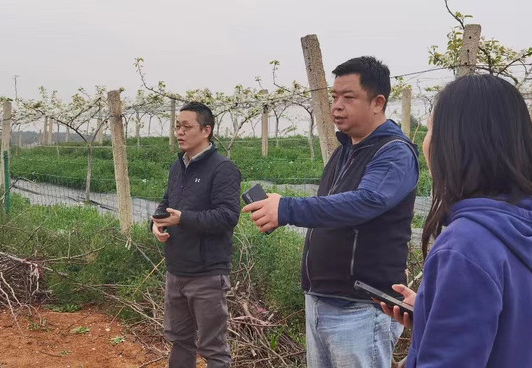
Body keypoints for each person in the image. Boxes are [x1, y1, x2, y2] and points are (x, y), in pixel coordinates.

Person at [243, 56, 419, 368]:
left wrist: (287, 208)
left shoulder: (394, 153)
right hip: (322, 300)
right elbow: (334, 213)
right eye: (334, 97)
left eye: (348, 97)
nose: (336, 106)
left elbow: (365, 202)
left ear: (378, 102)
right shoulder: (344, 151)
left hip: (361, 308)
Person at [383, 74, 532, 367]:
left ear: (454, 143)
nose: (426, 142)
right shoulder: (523, 223)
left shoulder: (464, 244)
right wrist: (430, 311)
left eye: (430, 130)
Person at [151, 101, 242, 368]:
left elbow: (228, 216)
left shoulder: (223, 168)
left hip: (207, 274)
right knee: (180, 340)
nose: (179, 132)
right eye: (177, 126)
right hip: (176, 270)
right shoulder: (177, 166)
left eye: (187, 126)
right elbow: (165, 204)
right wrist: (157, 224)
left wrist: (184, 219)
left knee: (213, 348)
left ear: (206, 130)